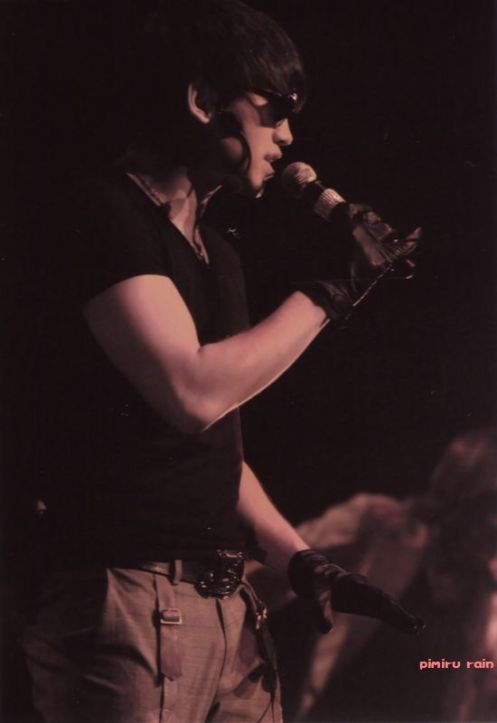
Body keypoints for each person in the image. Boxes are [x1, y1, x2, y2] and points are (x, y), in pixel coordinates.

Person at [19, 2, 422, 721]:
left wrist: (298, 558)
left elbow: (212, 448)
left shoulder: (219, 257)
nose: (288, 136)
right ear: (203, 101)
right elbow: (191, 392)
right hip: (130, 604)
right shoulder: (103, 215)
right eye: (275, 110)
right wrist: (332, 291)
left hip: (227, 612)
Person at [249, 428, 497, 721]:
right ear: (464, 493)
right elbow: (260, 579)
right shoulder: (378, 523)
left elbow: (467, 685)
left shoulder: (480, 585)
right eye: (490, 508)